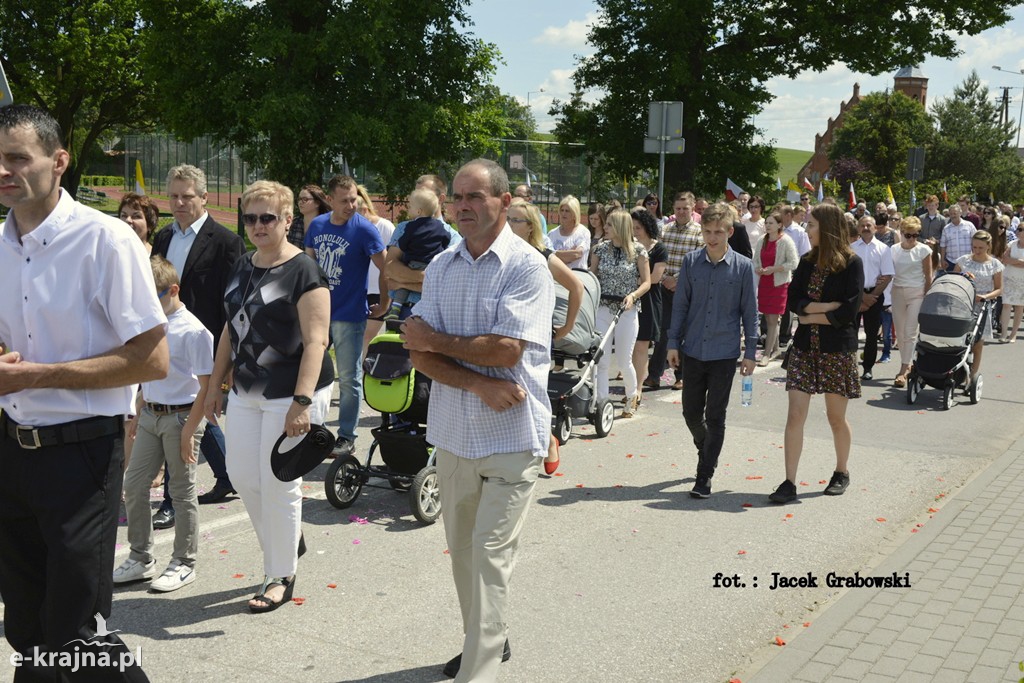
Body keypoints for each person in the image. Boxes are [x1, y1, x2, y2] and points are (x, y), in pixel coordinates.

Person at [0, 103, 164, 681]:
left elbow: (152, 357)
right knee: (23, 622)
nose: (3, 170)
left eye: (17, 157)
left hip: (81, 455)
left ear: (59, 161)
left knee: (72, 628)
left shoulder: (106, 240)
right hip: (10, 451)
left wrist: (37, 374)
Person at [401, 159, 554, 682]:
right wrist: (477, 381)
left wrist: (439, 343)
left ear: (505, 203)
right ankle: (484, 639)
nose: (463, 206)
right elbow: (416, 353)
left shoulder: (527, 267)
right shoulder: (442, 266)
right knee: (463, 556)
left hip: (512, 436)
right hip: (452, 433)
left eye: (475, 197)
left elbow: (506, 349)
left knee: (489, 557)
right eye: (457, 198)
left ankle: (479, 671)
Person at [206, 180, 335, 612]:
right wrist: (214, 385)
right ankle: (287, 542)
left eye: (268, 217)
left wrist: (301, 403)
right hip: (245, 388)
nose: (258, 225)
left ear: (287, 220)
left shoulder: (305, 272)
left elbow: (317, 342)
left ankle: (279, 574)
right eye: (250, 217)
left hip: (291, 390)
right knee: (242, 475)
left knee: (279, 481)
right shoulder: (243, 264)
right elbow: (230, 327)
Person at [115, 256, 212, 593]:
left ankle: (185, 562)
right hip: (151, 415)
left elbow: (206, 386)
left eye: (153, 295)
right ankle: (141, 557)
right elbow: (150, 372)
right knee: (135, 484)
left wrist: (189, 431)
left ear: (173, 290)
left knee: (182, 492)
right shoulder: (151, 324)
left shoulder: (195, 331)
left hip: (182, 416)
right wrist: (139, 408)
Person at [152, 164, 245, 516]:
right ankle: (227, 474)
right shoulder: (163, 237)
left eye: (187, 196)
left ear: (204, 198)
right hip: (167, 342)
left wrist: (230, 358)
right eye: (173, 196)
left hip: (205, 344)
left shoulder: (226, 242)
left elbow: (233, 304)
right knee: (197, 412)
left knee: (181, 416)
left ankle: (171, 501)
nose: (179, 203)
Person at [768, 204, 864, 505]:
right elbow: (795, 301)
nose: (806, 229)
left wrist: (812, 313)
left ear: (827, 227)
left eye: (811, 225)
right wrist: (822, 309)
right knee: (795, 415)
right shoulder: (807, 261)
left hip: (837, 349)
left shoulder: (852, 263)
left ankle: (841, 471)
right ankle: (789, 482)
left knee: (836, 418)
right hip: (804, 346)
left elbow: (848, 311)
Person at [666, 202, 757, 499]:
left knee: (716, 415)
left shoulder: (743, 267)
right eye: (707, 231)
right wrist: (672, 342)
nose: (712, 237)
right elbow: (680, 306)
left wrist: (750, 352)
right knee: (691, 412)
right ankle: (706, 448)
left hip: (724, 352)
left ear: (730, 232)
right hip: (692, 349)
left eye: (718, 232)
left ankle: (704, 474)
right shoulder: (691, 262)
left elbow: (749, 313)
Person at [305, 174, 388, 455]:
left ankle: (347, 436)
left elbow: (385, 266)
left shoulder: (364, 230)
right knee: (310, 371)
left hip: (349, 314)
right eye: (345, 201)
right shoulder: (316, 225)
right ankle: (310, 428)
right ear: (329, 200)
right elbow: (308, 266)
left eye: (354, 199)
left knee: (349, 377)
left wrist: (385, 302)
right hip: (318, 313)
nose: (352, 205)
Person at [508, 197, 583, 474]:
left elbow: (577, 287)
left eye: (514, 220)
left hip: (537, 336)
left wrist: (566, 328)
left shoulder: (543, 254)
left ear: (529, 227)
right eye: (506, 219)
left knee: (532, 394)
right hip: (504, 333)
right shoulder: (499, 251)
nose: (508, 225)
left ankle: (549, 439)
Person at [590, 209, 651, 417]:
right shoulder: (599, 249)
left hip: (627, 309)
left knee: (625, 360)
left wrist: (633, 296)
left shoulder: (639, 251)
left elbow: (647, 282)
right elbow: (592, 274)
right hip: (604, 307)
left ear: (619, 228)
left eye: (609, 225)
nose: (604, 228)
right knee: (602, 359)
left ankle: (632, 396)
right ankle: (601, 402)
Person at [647, 192, 703, 391]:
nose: (680, 212)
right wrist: (664, 279)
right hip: (664, 288)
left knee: (683, 333)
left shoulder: (699, 232)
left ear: (693, 207)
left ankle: (681, 376)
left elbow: (698, 261)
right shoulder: (664, 230)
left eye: (685, 208)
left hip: (688, 290)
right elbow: (656, 257)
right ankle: (654, 375)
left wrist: (677, 280)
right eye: (678, 208)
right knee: (663, 333)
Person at [385, 188, 450, 319]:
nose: (408, 210)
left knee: (401, 287)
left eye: (410, 207)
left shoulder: (410, 227)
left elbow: (403, 243)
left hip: (413, 263)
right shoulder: (441, 227)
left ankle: (395, 309)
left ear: (419, 211)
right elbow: (446, 239)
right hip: (431, 265)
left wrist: (401, 282)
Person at [953, 230, 1004, 383]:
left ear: (988, 246)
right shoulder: (963, 261)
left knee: (978, 343)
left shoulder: (995, 265)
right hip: (963, 302)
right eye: (974, 247)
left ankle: (972, 375)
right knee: (958, 339)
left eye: (980, 247)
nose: (976, 250)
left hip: (982, 305)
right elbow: (953, 279)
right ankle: (955, 370)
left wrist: (985, 296)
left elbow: (999, 289)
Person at [889, 216, 933, 387]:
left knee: (910, 332)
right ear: (901, 233)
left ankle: (903, 369)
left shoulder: (924, 250)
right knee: (900, 334)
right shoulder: (893, 249)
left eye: (916, 235)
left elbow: (928, 277)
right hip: (897, 292)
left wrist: (927, 296)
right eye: (908, 235)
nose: (912, 238)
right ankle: (907, 363)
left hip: (917, 293)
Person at [630, 207, 667, 404]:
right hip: (631, 299)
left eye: (638, 227)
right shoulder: (629, 246)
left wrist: (633, 281)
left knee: (641, 345)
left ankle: (637, 388)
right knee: (630, 346)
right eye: (632, 227)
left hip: (649, 300)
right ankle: (633, 383)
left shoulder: (659, 248)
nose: (635, 231)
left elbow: (655, 277)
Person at [851, 214, 894, 381]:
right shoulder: (851, 248)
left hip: (876, 297)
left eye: (869, 225)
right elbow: (848, 277)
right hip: (855, 295)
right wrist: (862, 297)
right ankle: (850, 367)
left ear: (875, 228)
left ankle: (867, 368)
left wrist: (871, 297)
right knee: (851, 333)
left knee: (871, 334)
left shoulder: (884, 249)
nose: (866, 228)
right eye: (863, 225)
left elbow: (888, 275)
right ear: (858, 228)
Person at [754, 211, 799, 366]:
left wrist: (775, 268)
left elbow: (794, 263)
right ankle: (775, 349)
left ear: (780, 225)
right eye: (766, 223)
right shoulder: (762, 240)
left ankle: (766, 354)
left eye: (771, 223)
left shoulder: (786, 241)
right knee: (767, 317)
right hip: (765, 283)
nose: (767, 225)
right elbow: (755, 261)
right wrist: (759, 268)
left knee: (773, 319)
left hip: (779, 284)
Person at [356, 184, 396, 355]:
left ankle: (361, 375)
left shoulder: (385, 226)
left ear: (364, 209)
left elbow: (391, 261)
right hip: (357, 290)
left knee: (366, 337)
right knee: (357, 337)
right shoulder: (352, 228)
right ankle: (358, 374)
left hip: (379, 290)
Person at [549, 194, 590, 269]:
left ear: (574, 213)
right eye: (562, 210)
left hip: (577, 276)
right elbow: (547, 257)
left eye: (567, 211)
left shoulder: (583, 232)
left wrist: (554, 254)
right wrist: (568, 254)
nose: (563, 213)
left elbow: (576, 254)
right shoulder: (552, 233)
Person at [999, 223, 1024, 342]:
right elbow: (1004, 259)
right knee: (1006, 304)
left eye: (1021, 229)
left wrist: (1013, 261)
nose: (1018, 231)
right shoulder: (1012, 244)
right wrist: (1019, 261)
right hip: (1009, 278)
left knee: (1019, 306)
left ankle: (1013, 334)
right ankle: (1004, 333)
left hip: (1022, 280)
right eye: (1018, 229)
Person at [289, 184, 331, 248]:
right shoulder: (293, 223)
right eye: (299, 199)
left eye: (305, 199)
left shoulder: (326, 226)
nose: (300, 202)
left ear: (317, 203)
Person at [940, 204, 977, 270]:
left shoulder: (969, 225)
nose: (953, 215)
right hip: (951, 262)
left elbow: (975, 241)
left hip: (968, 261)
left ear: (960, 213)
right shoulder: (946, 228)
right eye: (951, 214)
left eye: (955, 213)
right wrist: (942, 260)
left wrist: (976, 256)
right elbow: (943, 245)